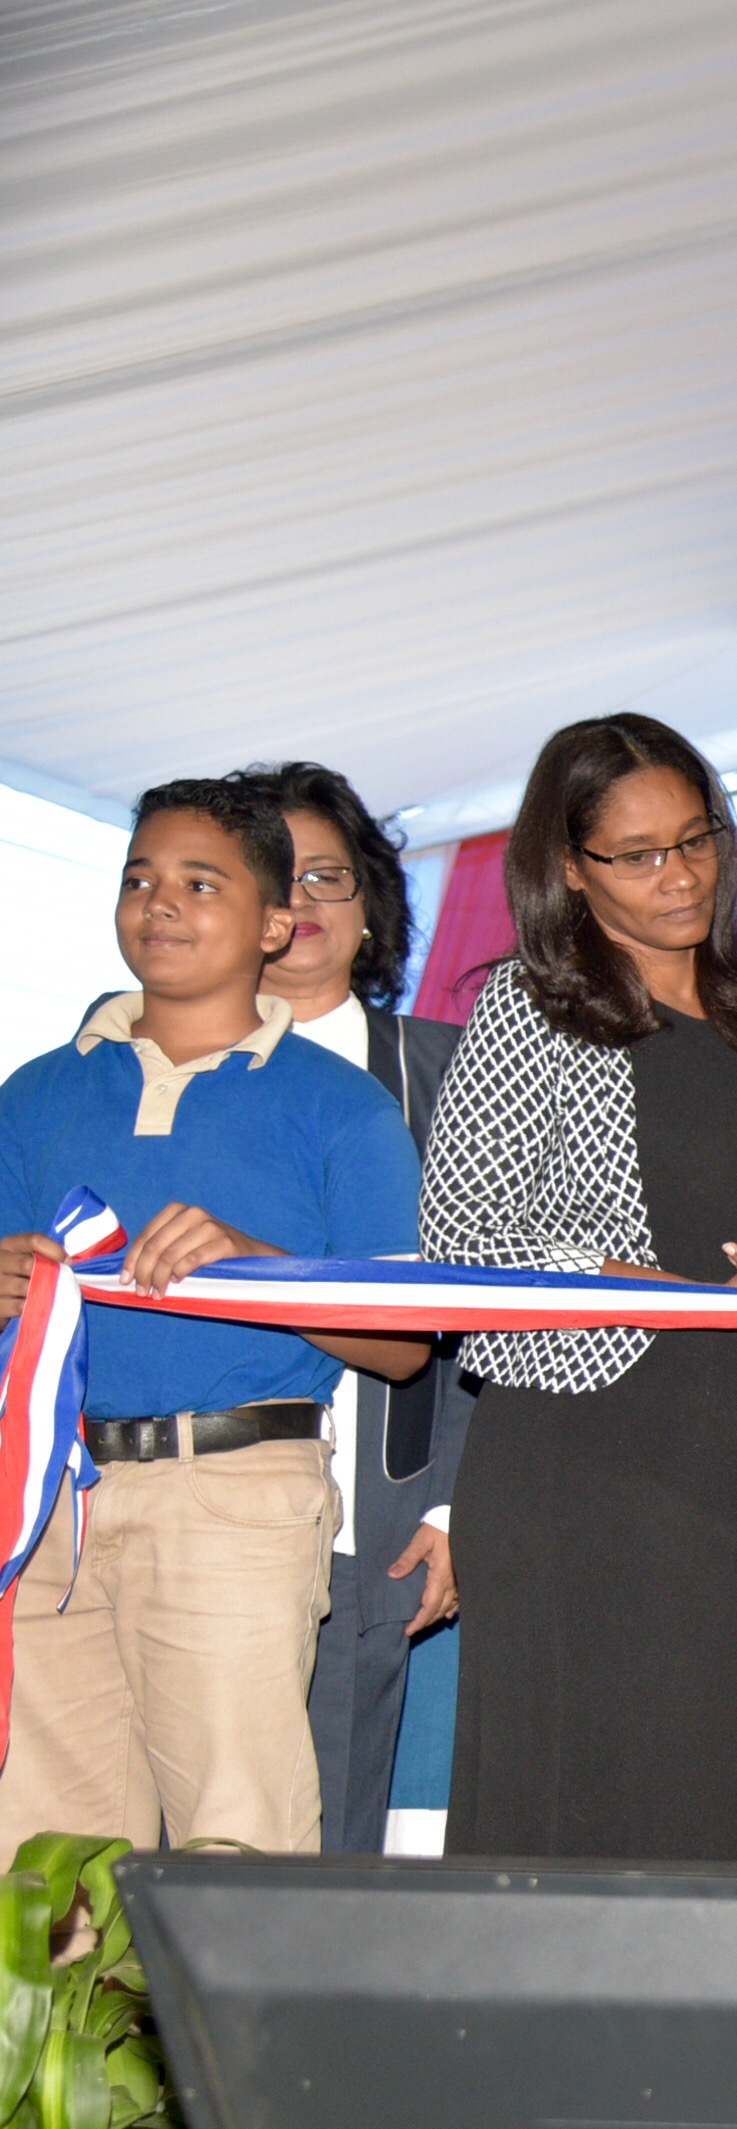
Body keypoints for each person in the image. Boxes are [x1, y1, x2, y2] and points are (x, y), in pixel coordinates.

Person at [423, 715, 737, 1862]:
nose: (679, 874)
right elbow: (464, 1242)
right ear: (565, 867)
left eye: (695, 840)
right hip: (582, 1481)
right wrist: (698, 1295)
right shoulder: (528, 1014)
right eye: (635, 854)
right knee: (572, 1827)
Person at [0, 778, 430, 1859]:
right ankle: (64, 2038)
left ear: (277, 923)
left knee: (236, 1842)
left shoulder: (345, 1108)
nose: (160, 903)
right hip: (53, 1498)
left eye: (201, 882)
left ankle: (233, 2037)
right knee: (49, 1859)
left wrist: (259, 1264)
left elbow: (401, 1345)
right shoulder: (37, 1091)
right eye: (140, 878)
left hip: (233, 1493)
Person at [226, 763, 472, 1855]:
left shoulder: (449, 1074)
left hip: (367, 1521)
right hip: (173, 1502)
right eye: (271, 875)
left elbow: (495, 1314)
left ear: (371, 903)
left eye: (327, 875)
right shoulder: (140, 1065)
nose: (301, 904)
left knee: (322, 1850)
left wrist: (457, 1508)